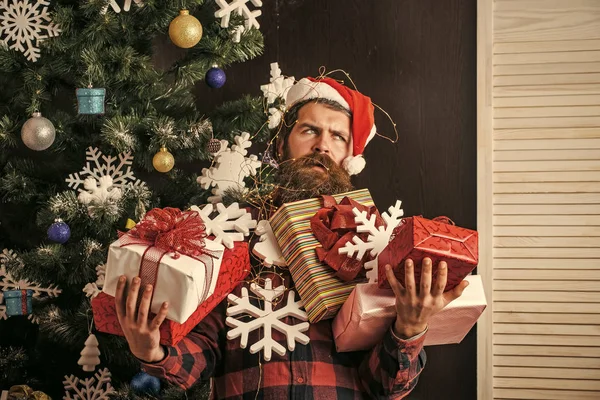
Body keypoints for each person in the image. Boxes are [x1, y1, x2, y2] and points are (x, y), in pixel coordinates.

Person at [114, 77, 469, 399]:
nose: (322, 146)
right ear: (282, 145)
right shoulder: (232, 231)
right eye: (309, 130)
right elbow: (204, 349)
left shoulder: (374, 244)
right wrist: (153, 351)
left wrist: (408, 327)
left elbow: (385, 387)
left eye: (338, 136)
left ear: (350, 158)